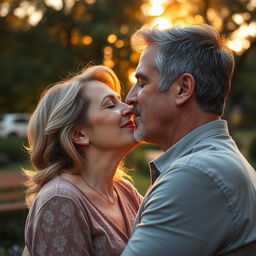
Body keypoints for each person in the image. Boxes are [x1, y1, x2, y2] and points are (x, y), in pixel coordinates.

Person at [122, 24, 256, 255]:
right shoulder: (214, 162)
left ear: (183, 89)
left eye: (143, 83)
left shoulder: (195, 174)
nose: (130, 97)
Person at [22, 65, 143, 256]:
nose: (129, 108)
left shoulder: (125, 191)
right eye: (110, 105)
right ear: (79, 134)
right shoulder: (60, 200)